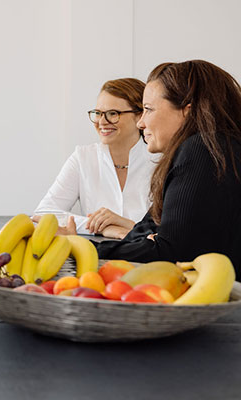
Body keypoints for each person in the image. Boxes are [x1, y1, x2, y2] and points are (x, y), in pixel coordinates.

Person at [95, 60, 241, 277]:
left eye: (148, 110)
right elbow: (142, 232)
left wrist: (86, 249)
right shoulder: (221, 148)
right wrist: (149, 240)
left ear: (187, 111)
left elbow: (171, 253)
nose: (140, 123)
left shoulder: (201, 150)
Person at [34, 78, 159, 239]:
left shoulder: (161, 160)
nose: (101, 122)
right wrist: (101, 228)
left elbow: (170, 227)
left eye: (113, 114)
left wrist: (127, 225)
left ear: (140, 116)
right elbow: (43, 214)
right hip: (97, 257)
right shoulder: (83, 157)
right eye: (98, 113)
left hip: (151, 259)